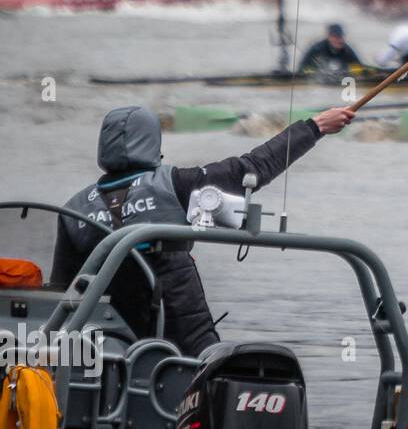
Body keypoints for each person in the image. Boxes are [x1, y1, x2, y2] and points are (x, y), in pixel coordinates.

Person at [51, 105, 355, 356]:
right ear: (152, 143)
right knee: (216, 370)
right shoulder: (175, 184)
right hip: (183, 337)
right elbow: (251, 168)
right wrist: (315, 127)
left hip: (106, 346)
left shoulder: (73, 209)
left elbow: (61, 294)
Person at [298, 23, 362, 74]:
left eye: (340, 37)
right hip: (317, 83)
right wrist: (315, 73)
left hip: (341, 83)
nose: (339, 40)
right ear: (329, 37)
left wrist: (349, 72)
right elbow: (302, 67)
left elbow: (359, 69)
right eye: (335, 37)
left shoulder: (348, 51)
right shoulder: (317, 49)